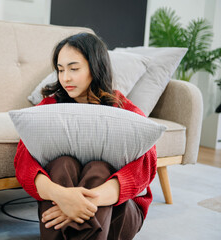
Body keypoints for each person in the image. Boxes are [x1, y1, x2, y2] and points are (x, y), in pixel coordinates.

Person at [14, 32, 157, 240]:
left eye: (74, 69)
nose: (65, 78)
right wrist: (61, 196)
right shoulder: (48, 108)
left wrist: (81, 203)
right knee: (62, 164)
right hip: (65, 205)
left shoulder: (124, 110)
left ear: (95, 67)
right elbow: (24, 163)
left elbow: (145, 168)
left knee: (99, 169)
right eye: (61, 70)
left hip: (120, 214)